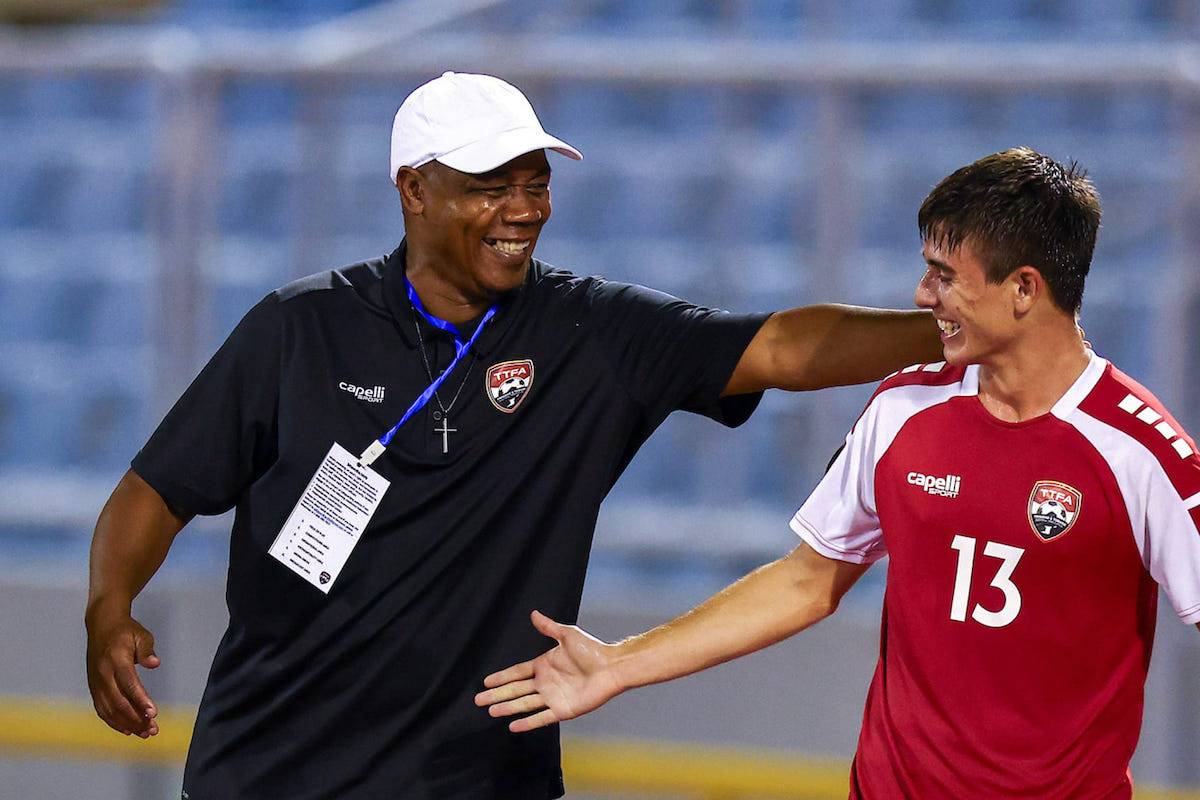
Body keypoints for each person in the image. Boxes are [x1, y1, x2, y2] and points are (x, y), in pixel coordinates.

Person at [84, 71, 942, 800]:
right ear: (415, 189)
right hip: (273, 773)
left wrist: (955, 330)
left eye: (537, 184)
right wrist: (107, 606)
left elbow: (784, 346)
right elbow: (155, 490)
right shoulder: (299, 329)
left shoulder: (592, 333)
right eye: (493, 186)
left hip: (484, 779)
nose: (524, 211)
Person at [477, 147, 1200, 799]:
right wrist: (620, 664)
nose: (922, 297)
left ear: (1024, 289)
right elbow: (808, 578)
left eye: (945, 277)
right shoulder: (902, 410)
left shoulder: (1142, 452)